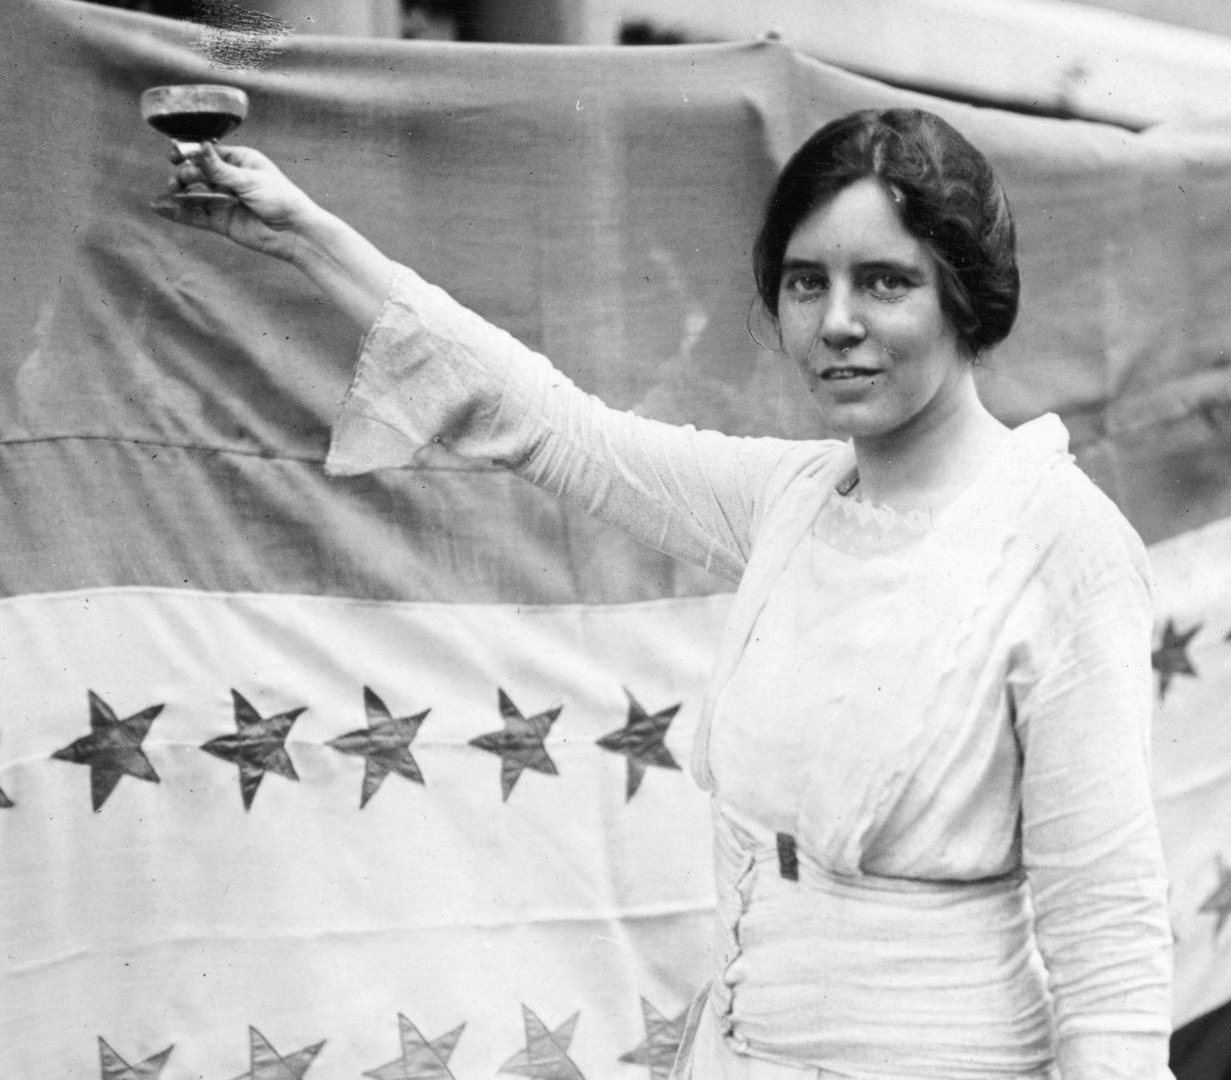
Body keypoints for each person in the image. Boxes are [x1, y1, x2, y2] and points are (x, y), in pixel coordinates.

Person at [156, 108, 1175, 1080]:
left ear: (966, 296)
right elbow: (557, 426)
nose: (840, 323)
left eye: (885, 282)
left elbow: (1109, 937)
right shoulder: (794, 503)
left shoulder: (1062, 547)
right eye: (805, 282)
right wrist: (309, 238)